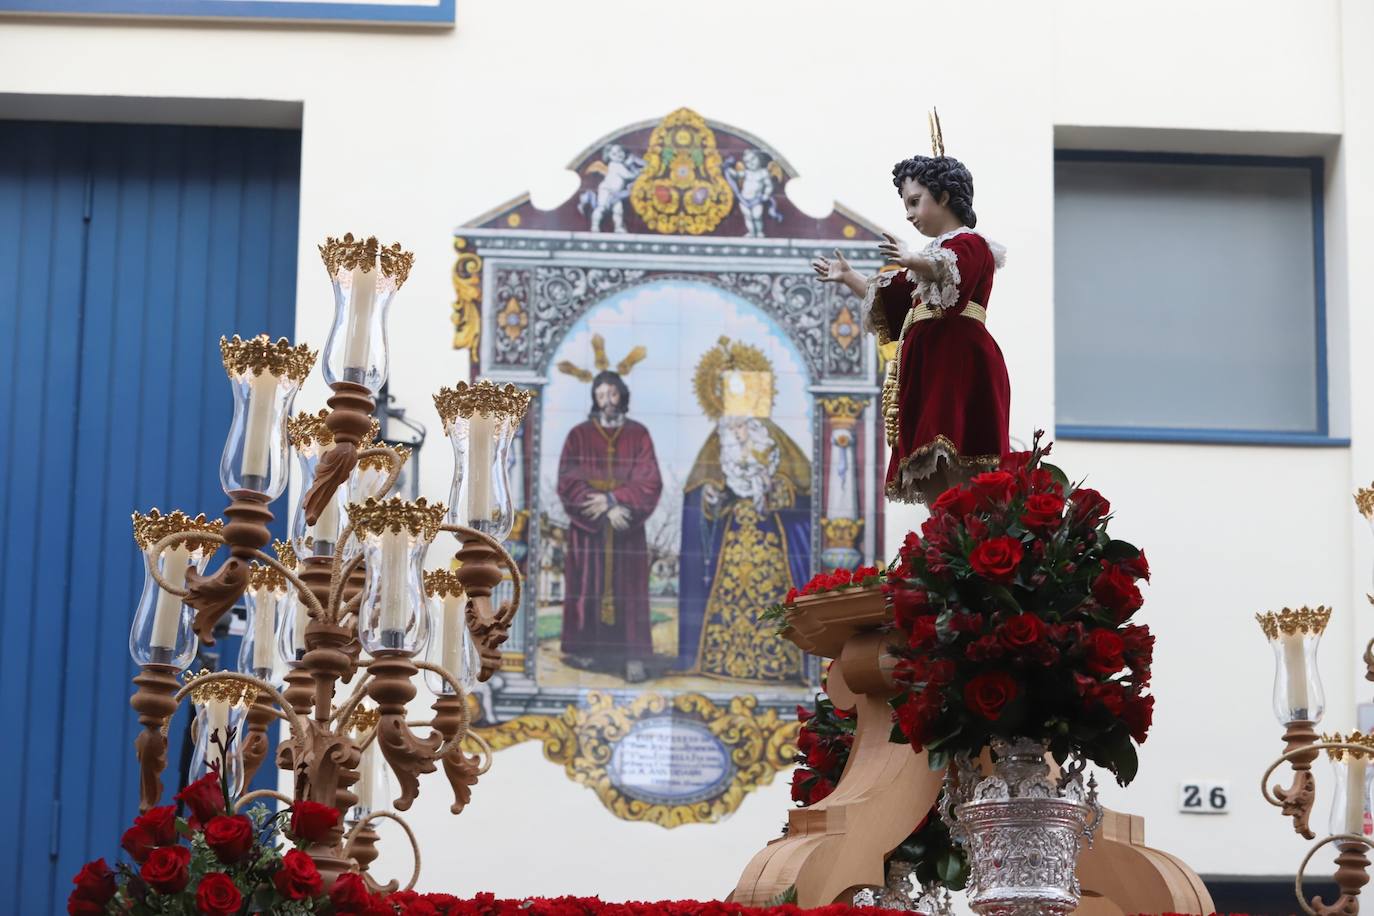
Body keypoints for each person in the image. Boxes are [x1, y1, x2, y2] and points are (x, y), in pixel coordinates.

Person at [811, 144, 1010, 505]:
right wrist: (848, 276)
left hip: (958, 362)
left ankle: (960, 536)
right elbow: (891, 298)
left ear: (945, 196)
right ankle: (947, 534)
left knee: (954, 452)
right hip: (927, 367)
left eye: (915, 202)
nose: (909, 214)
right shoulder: (929, 260)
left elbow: (954, 273)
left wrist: (916, 259)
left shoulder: (971, 244)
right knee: (930, 466)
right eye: (907, 205)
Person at [677, 349, 810, 682]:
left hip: (771, 539)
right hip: (732, 537)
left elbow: (801, 487)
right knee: (730, 599)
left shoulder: (772, 437)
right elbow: (702, 493)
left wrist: (774, 488)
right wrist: (710, 497)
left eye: (741, 391)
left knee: (774, 598)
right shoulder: (717, 440)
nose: (735, 400)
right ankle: (722, 660)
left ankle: (778, 663)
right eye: (728, 392)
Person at [556, 351, 663, 682]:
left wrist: (617, 501)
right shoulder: (578, 435)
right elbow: (567, 480)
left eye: (613, 393)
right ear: (594, 399)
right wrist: (600, 505)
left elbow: (650, 479)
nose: (607, 401)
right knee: (587, 588)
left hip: (625, 527)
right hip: (589, 532)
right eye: (601, 395)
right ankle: (586, 652)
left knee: (629, 591)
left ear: (622, 395)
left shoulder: (639, 434)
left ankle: (633, 656)